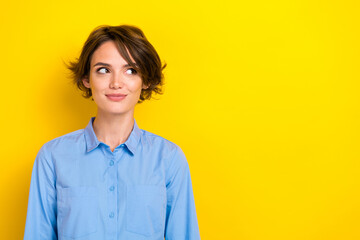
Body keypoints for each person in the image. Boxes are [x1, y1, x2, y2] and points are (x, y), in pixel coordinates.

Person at [24, 25, 200, 240]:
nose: (116, 83)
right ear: (86, 79)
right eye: (103, 70)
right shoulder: (52, 157)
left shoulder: (169, 158)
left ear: (145, 81)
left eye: (131, 71)